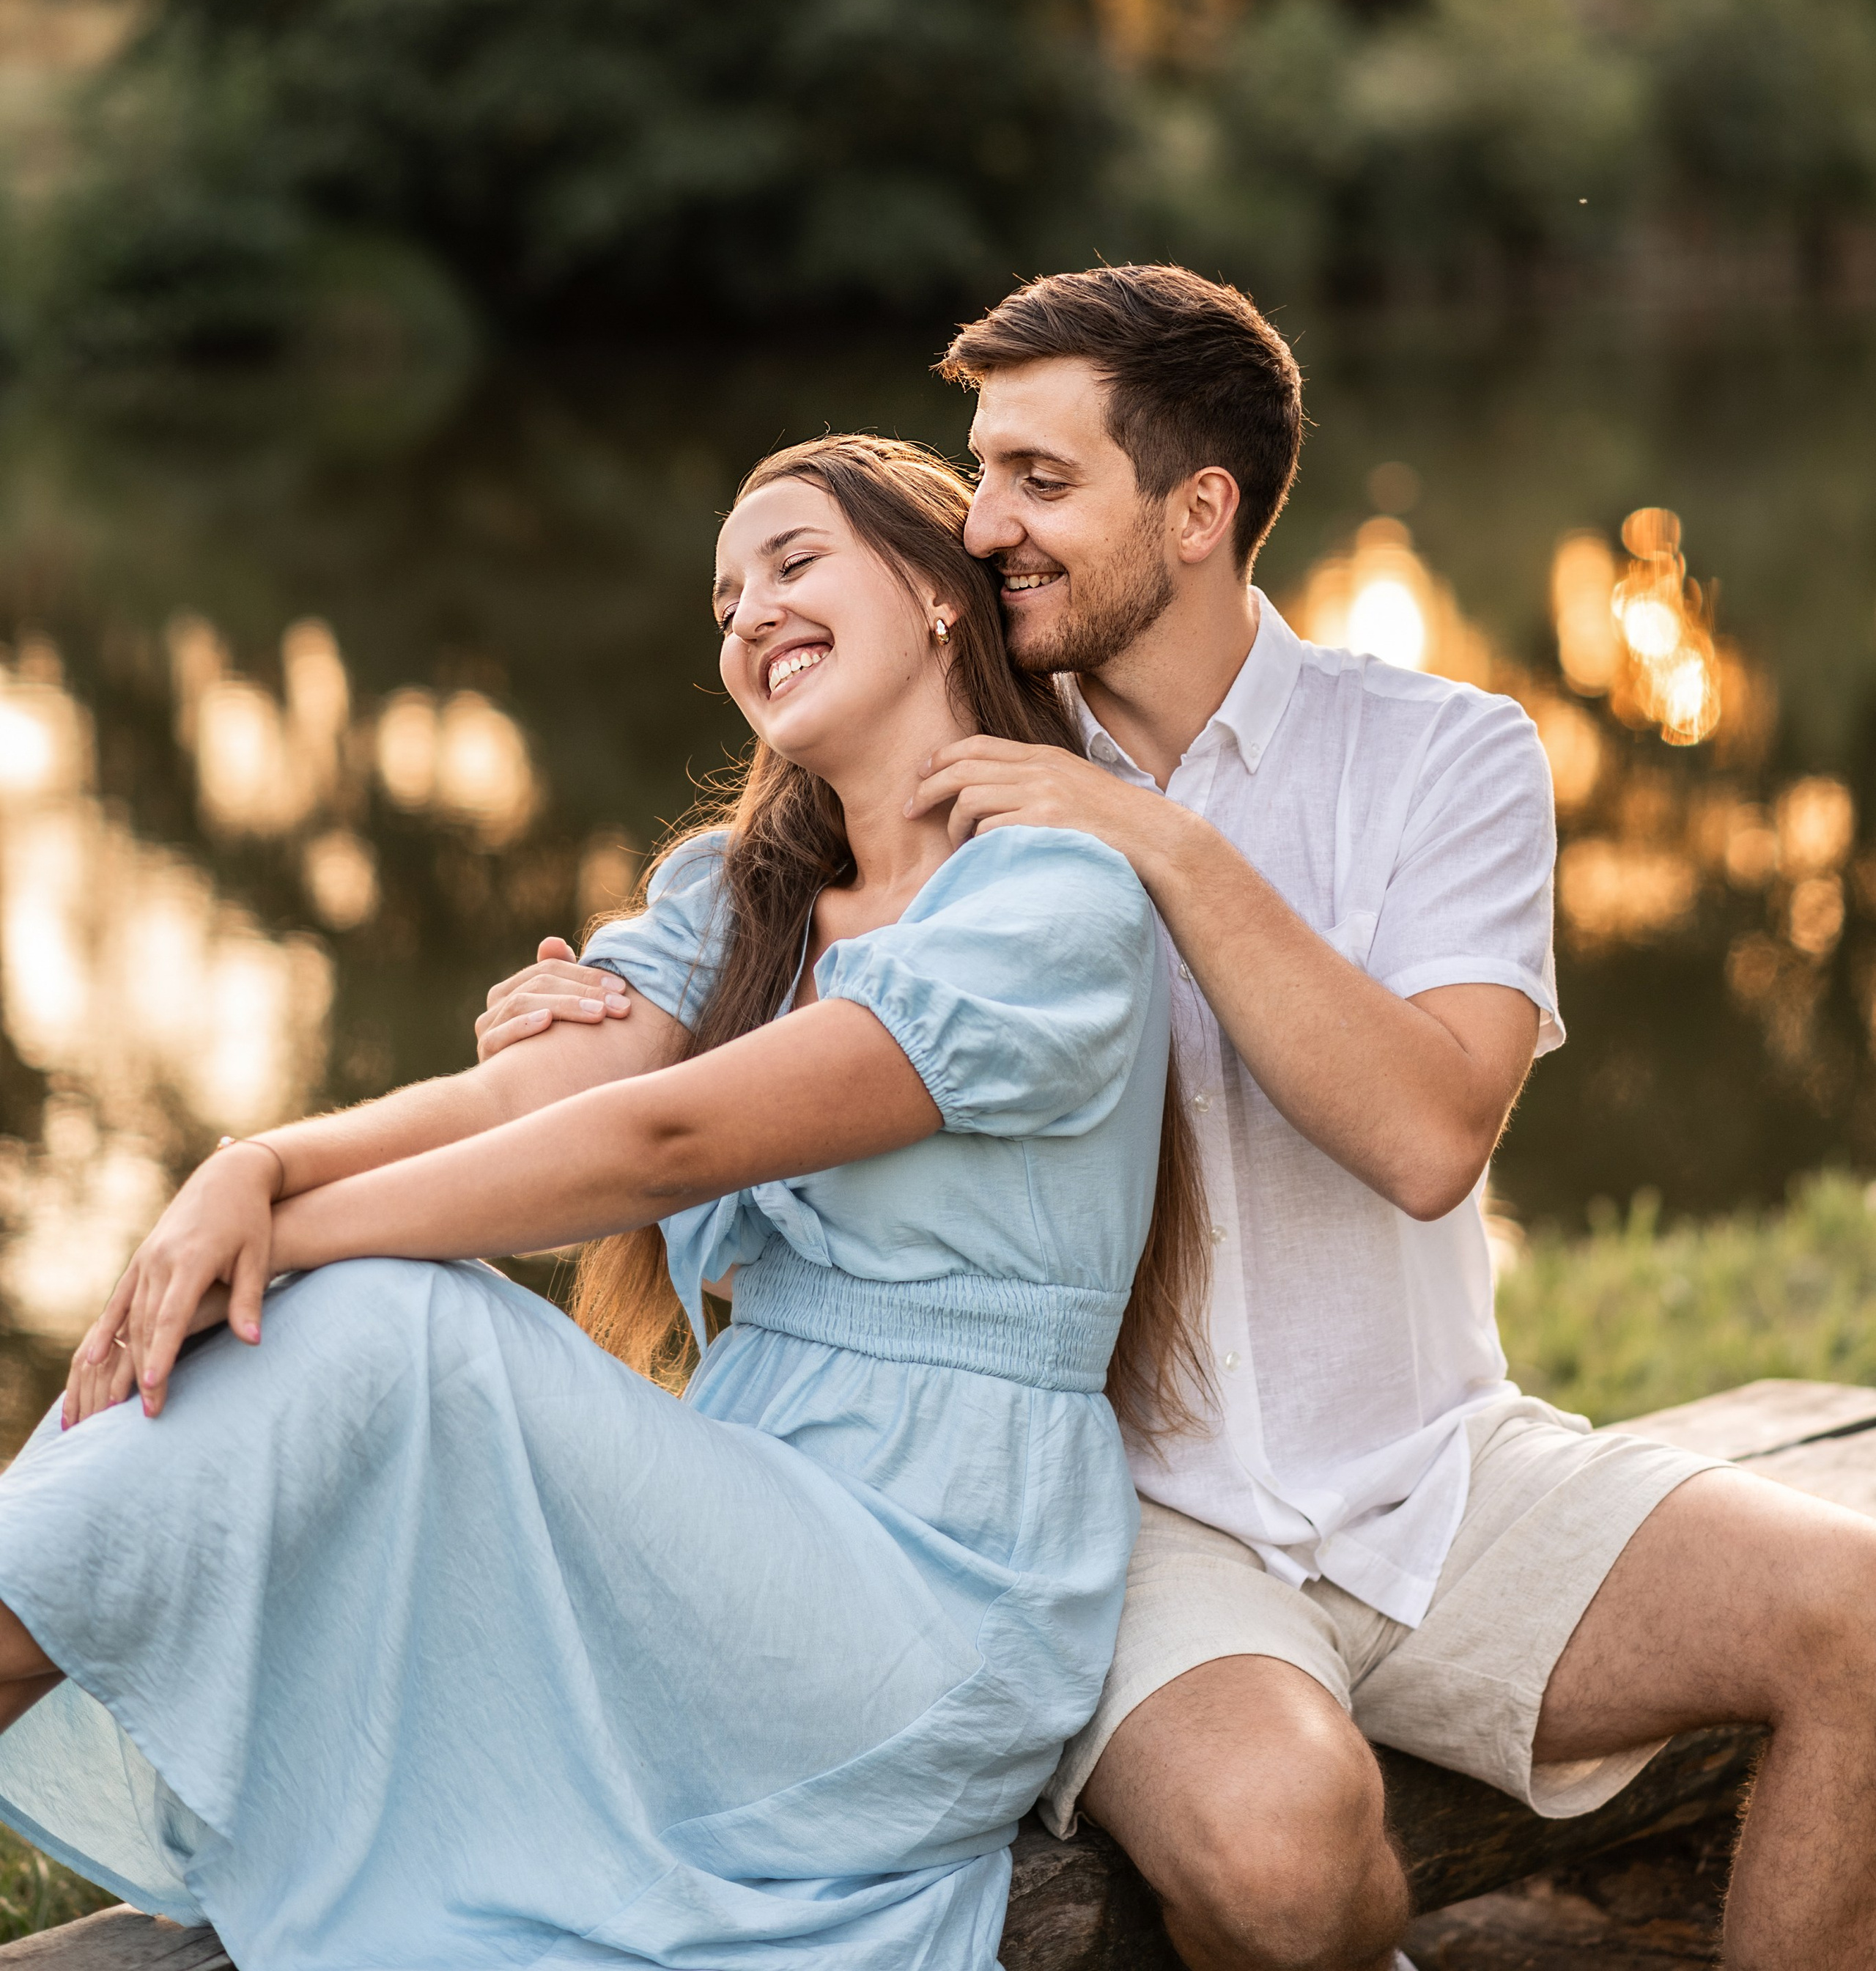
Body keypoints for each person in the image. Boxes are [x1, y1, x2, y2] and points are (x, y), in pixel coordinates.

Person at [496, 267, 1876, 1971]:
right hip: (1123, 1528)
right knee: (1281, 1861)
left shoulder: (1444, 755)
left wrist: (1151, 837)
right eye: (980, 470)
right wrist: (586, 1004)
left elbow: (1430, 1135)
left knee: (1861, 1625)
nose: (982, 526)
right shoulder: (937, 762)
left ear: (1199, 510)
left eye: (1039, 482)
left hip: (1437, 1471)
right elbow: (729, 928)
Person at [0, 435, 1203, 1971]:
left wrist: (292, 1235)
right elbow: (529, 1102)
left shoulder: (1053, 896)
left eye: (790, 562)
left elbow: (668, 1141)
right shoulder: (738, 894)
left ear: (932, 590)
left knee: (374, 1311)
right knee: (335, 1299)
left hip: (935, 1601)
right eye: (721, 599)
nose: (748, 614)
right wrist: (258, 1167)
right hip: (740, 1530)